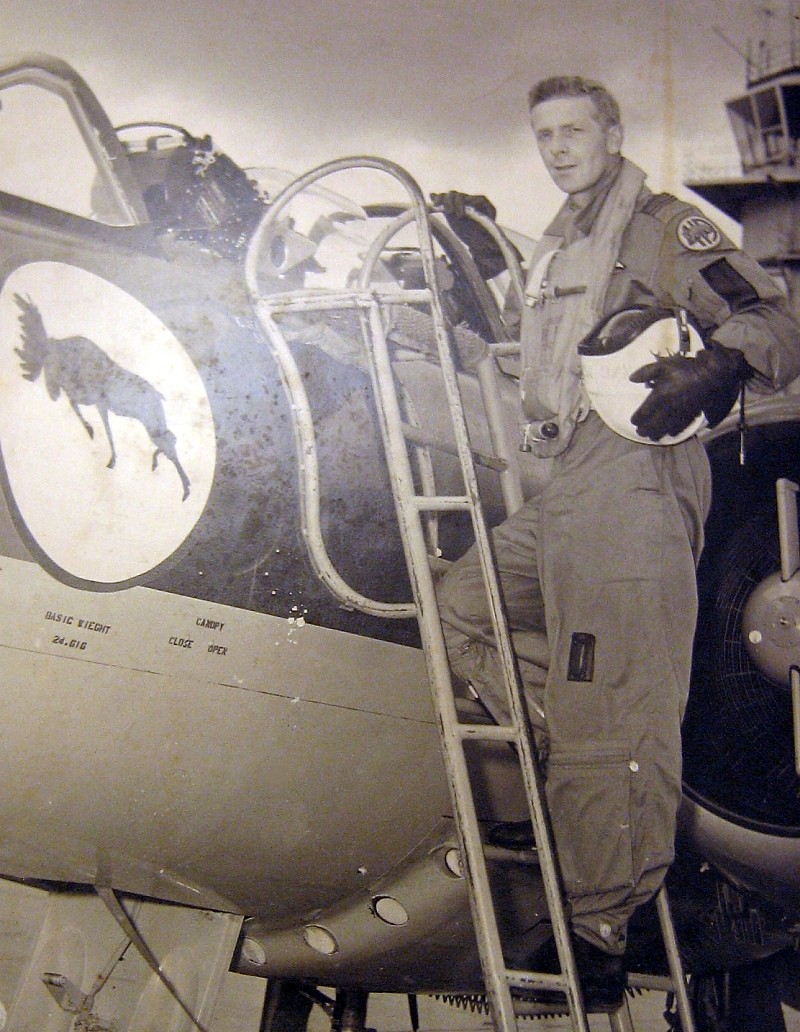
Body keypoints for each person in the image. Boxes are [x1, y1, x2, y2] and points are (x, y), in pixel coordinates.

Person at [431, 75, 800, 1009]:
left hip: (635, 481)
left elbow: (776, 317)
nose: (558, 149)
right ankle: (605, 776)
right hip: (566, 487)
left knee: (609, 703)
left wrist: (718, 367)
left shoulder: (661, 226)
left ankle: (600, 930)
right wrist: (472, 279)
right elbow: (537, 366)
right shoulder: (563, 245)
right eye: (544, 135)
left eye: (574, 131)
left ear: (612, 132)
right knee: (463, 610)